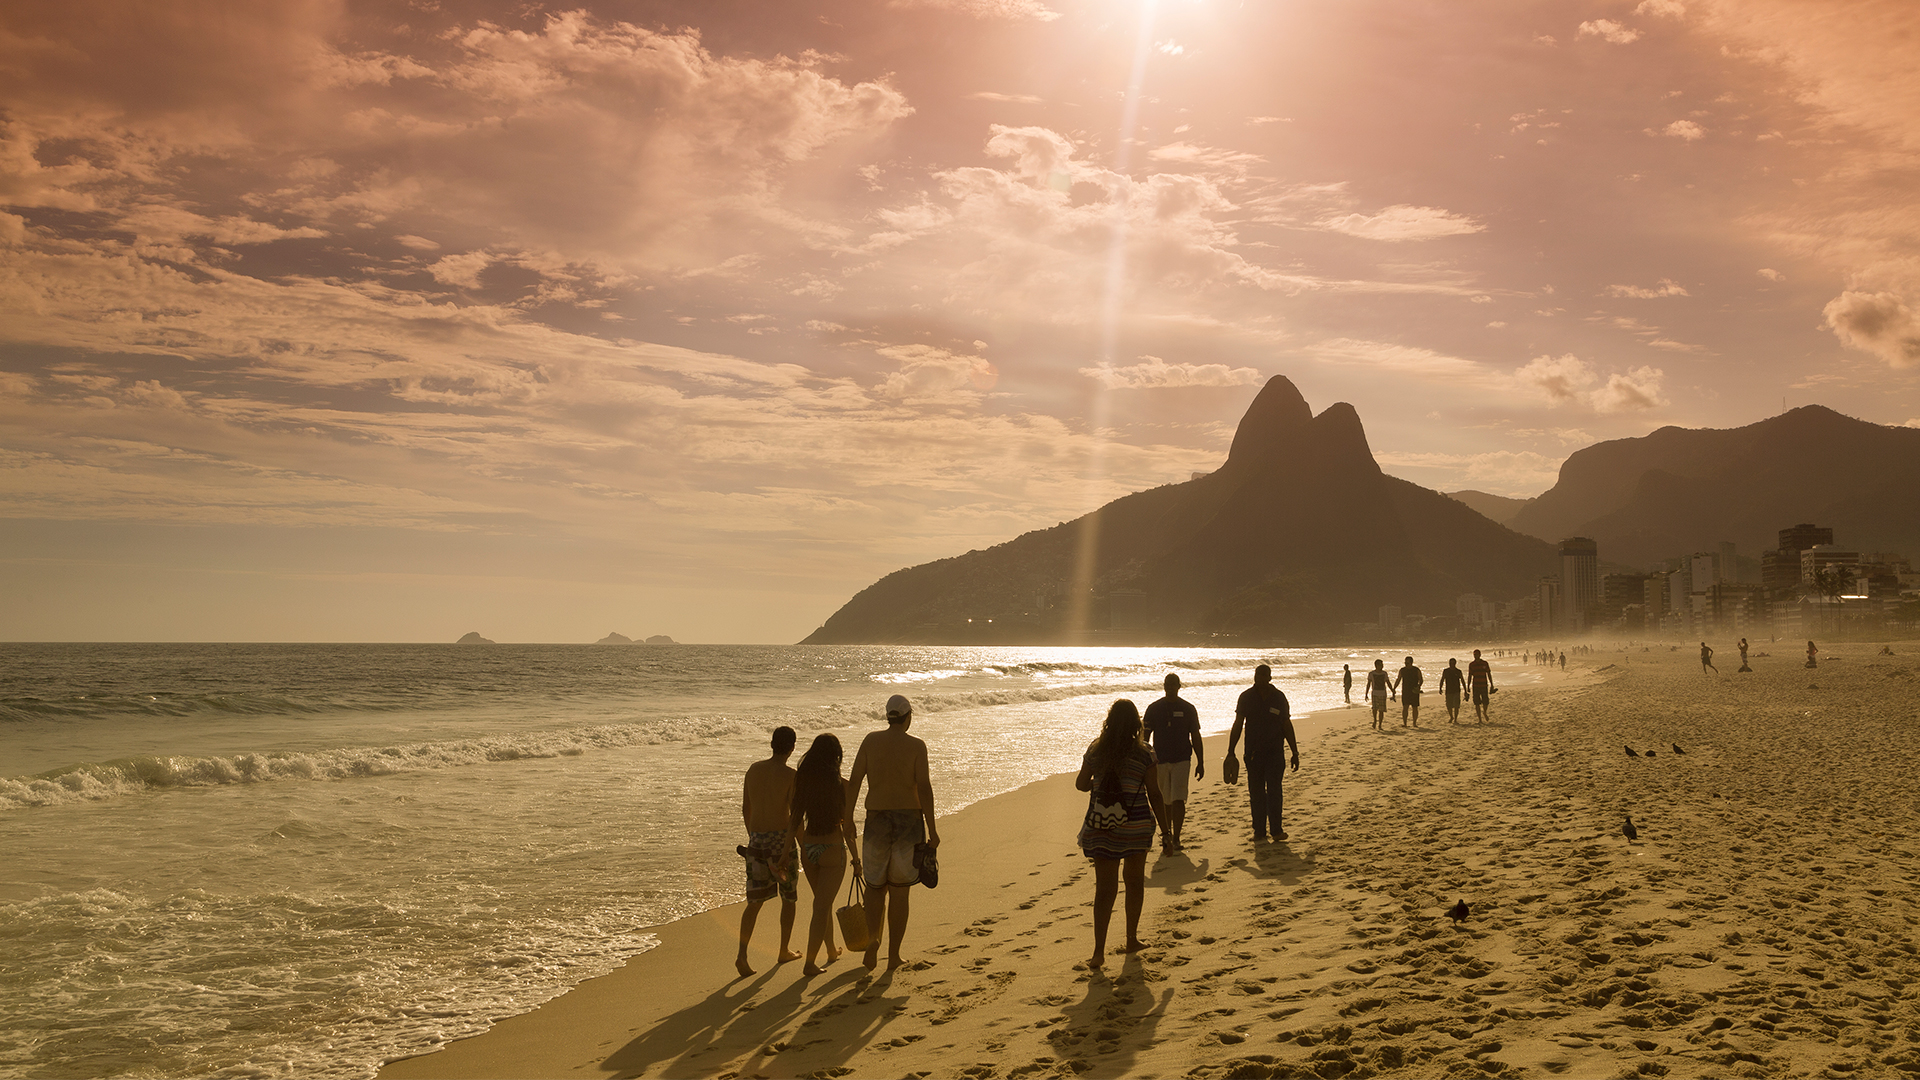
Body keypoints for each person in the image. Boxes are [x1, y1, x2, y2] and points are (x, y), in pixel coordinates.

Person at [847, 694, 940, 972]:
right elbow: (924, 787)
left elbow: (854, 781)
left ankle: (873, 941)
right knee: (900, 892)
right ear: (908, 716)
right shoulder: (916, 746)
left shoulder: (870, 741)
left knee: (875, 888)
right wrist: (933, 830)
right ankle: (894, 955)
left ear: (888, 716)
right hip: (908, 822)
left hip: (875, 820)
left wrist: (847, 819)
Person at [1075, 699, 1169, 969]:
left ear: (1109, 721)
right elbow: (1154, 794)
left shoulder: (1096, 750)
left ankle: (1098, 952)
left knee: (1104, 890)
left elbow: (1081, 784)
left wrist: (1101, 781)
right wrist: (1167, 832)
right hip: (1136, 826)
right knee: (1134, 882)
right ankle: (1131, 939)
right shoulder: (1145, 753)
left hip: (1102, 827)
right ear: (1136, 723)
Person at [788, 733, 862, 976]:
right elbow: (848, 828)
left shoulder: (803, 782)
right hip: (832, 849)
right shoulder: (843, 785)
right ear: (836, 757)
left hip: (808, 850)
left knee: (822, 902)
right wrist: (855, 857)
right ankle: (809, 963)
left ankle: (830, 950)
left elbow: (794, 820)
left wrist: (784, 852)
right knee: (821, 906)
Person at [737, 726, 801, 977]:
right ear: (792, 747)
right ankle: (783, 949)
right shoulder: (790, 775)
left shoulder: (753, 769)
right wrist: (800, 846)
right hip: (780, 843)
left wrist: (753, 836)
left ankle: (741, 955)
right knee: (789, 898)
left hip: (756, 841)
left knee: (754, 902)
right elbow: (794, 818)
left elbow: (746, 809)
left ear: (772, 744)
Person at [1224, 665, 1300, 843]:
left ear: (1270, 678)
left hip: (1275, 753)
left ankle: (1276, 831)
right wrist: (1230, 751)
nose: (1261, 679)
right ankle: (1259, 832)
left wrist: (1294, 751)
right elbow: (1238, 724)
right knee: (1256, 793)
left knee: (1275, 791)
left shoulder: (1279, 697)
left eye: (1265, 676)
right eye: (1258, 675)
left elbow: (1286, 725)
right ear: (1254, 676)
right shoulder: (1246, 697)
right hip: (1253, 754)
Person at [1141, 673, 1204, 854]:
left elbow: (1196, 736)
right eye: (1167, 684)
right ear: (1163, 686)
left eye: (1173, 685)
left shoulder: (1188, 708)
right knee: (1163, 800)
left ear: (1179, 686)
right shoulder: (1153, 709)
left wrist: (1201, 762)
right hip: (1158, 761)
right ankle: (1166, 835)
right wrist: (1144, 762)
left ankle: (1176, 837)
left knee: (1178, 799)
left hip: (1182, 759)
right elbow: (1145, 738)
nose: (1170, 688)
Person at [1394, 656, 1423, 727]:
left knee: (1415, 707)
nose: (1406, 664)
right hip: (1405, 691)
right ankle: (1405, 723)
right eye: (1405, 662)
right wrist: (1394, 688)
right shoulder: (1402, 670)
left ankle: (1414, 723)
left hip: (1414, 691)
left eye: (1407, 663)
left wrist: (1418, 687)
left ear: (1411, 663)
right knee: (1405, 707)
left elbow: (1421, 679)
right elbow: (1398, 679)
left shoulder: (1416, 670)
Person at [1467, 649, 1494, 723]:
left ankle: (1484, 712)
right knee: (1476, 703)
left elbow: (1489, 674)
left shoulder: (1484, 663)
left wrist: (1492, 684)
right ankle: (1480, 720)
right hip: (1475, 685)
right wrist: (1468, 686)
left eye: (1477, 655)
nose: (1476, 656)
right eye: (1474, 655)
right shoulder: (1471, 665)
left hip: (1484, 685)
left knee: (1486, 701)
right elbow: (1470, 676)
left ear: (1480, 655)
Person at [1365, 659, 1391, 730]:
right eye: (1380, 664)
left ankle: (1380, 724)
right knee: (1375, 708)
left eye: (1382, 664)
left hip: (1383, 693)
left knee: (1381, 710)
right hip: (1375, 693)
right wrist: (1366, 694)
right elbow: (1368, 684)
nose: (1382, 666)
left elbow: (1388, 682)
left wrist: (1392, 690)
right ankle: (1374, 721)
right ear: (1376, 665)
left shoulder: (1384, 673)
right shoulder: (1371, 673)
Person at [1437, 658, 1465, 724]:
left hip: (1456, 690)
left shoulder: (1458, 671)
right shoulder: (1446, 671)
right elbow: (1442, 679)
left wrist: (1465, 690)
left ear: (1455, 664)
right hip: (1448, 690)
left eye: (1453, 663)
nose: (1451, 664)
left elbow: (1462, 681)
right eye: (1450, 663)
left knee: (1456, 705)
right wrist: (1440, 688)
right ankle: (1451, 717)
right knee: (1449, 705)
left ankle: (1455, 719)